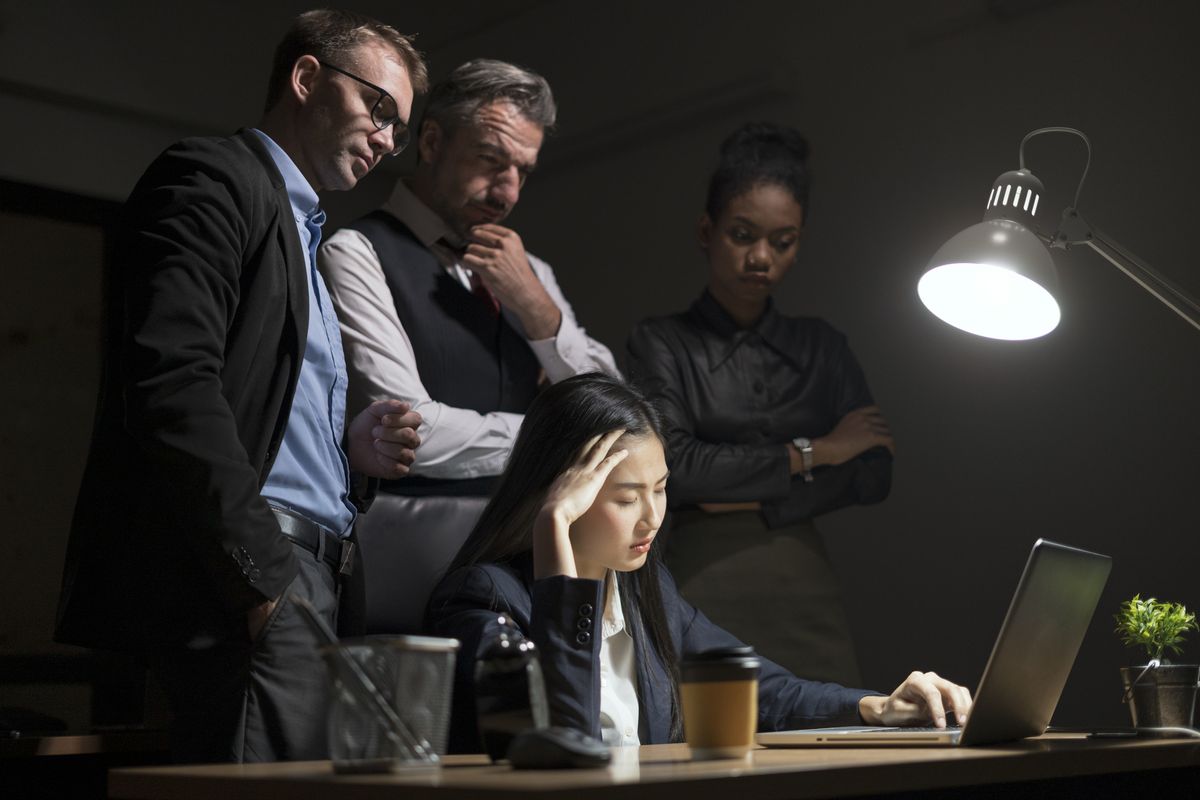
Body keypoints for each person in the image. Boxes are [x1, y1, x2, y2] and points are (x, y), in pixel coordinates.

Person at [53, 10, 428, 763]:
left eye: (400, 127)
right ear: (306, 78)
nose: (388, 140)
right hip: (252, 582)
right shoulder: (214, 177)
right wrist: (266, 589)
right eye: (378, 107)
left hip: (305, 580)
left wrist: (347, 448)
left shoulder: (307, 236)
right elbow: (171, 388)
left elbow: (255, 406)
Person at [426, 374, 968, 751]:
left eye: (660, 490)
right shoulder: (483, 599)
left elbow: (758, 689)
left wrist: (878, 707)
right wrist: (552, 531)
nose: (651, 517)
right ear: (558, 495)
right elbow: (564, 736)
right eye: (625, 497)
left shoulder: (644, 590)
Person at [318, 59, 618, 633]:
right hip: (409, 567)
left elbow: (612, 410)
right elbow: (412, 431)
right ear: (431, 141)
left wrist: (537, 310)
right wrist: (555, 439)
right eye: (490, 159)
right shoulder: (354, 253)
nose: (507, 190)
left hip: (528, 566)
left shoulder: (532, 273)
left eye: (523, 172)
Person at [625, 123, 894, 685]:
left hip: (804, 581)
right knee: (701, 744)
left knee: (835, 737)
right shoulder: (661, 341)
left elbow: (874, 472)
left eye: (783, 241)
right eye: (743, 235)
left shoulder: (822, 345)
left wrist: (748, 498)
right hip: (701, 577)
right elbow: (678, 468)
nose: (761, 258)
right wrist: (818, 451)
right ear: (707, 230)